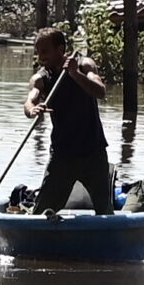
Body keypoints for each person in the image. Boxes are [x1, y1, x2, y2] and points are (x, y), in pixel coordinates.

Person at [25, 27, 114, 214]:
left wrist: (75, 74)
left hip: (93, 152)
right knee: (42, 211)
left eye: (45, 51)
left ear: (60, 49)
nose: (41, 57)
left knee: (104, 211)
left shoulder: (84, 65)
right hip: (62, 155)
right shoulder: (42, 77)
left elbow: (100, 91)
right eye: (38, 52)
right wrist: (33, 109)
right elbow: (30, 100)